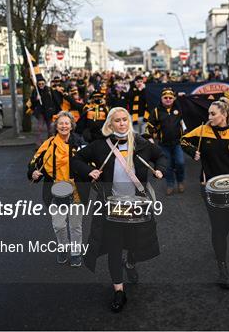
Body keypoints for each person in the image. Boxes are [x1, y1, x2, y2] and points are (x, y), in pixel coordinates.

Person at [71, 107, 167, 313]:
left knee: (135, 244)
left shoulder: (142, 144)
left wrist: (160, 169)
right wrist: (90, 171)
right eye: (118, 120)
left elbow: (161, 156)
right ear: (110, 124)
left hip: (138, 204)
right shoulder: (99, 146)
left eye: (125, 120)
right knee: (114, 247)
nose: (122, 123)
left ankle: (131, 263)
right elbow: (76, 159)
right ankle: (119, 291)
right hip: (111, 206)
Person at [180, 97, 229, 289]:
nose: (209, 117)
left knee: (226, 224)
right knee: (218, 226)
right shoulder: (203, 130)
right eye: (209, 113)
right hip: (208, 186)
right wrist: (192, 152)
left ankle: (219, 244)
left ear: (224, 114)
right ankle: (222, 267)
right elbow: (184, 140)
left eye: (213, 114)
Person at [27, 111, 87, 267]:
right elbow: (34, 162)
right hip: (55, 188)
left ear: (71, 125)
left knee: (75, 225)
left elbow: (89, 162)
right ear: (56, 126)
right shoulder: (48, 144)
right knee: (59, 225)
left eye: (67, 123)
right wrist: (33, 172)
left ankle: (75, 252)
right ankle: (62, 247)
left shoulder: (79, 142)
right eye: (61, 123)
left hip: (75, 189)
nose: (64, 126)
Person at [145, 87, 186, 195]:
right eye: (165, 98)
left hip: (178, 143)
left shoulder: (179, 108)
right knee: (167, 166)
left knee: (180, 163)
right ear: (161, 99)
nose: (168, 99)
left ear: (173, 99)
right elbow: (150, 125)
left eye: (170, 98)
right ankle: (170, 184)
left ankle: (180, 181)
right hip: (163, 145)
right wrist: (150, 137)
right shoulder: (156, 111)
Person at [28, 75, 57, 147]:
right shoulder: (35, 91)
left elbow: (55, 100)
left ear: (45, 83)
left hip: (49, 112)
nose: (41, 85)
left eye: (42, 84)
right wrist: (36, 99)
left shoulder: (49, 90)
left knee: (50, 129)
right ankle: (38, 144)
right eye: (39, 84)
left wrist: (55, 110)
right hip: (40, 112)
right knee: (39, 128)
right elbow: (32, 101)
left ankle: (50, 143)